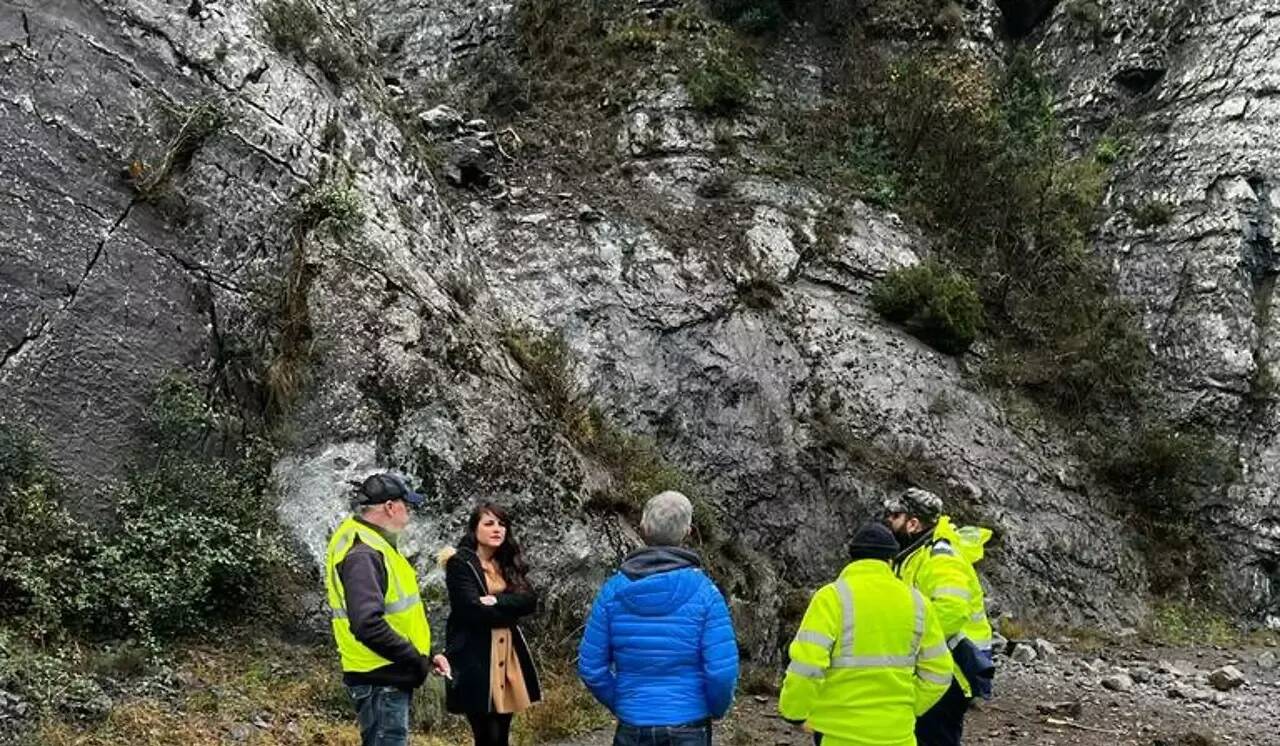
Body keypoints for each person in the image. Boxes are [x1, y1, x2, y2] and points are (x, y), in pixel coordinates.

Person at [578, 490, 739, 746]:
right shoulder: (706, 592)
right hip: (690, 723)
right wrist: (716, 708)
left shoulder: (612, 592)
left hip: (633, 724)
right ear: (687, 532)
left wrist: (624, 702)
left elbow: (591, 668)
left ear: (642, 528)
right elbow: (721, 672)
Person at [779, 523, 954, 746]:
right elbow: (940, 672)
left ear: (852, 558)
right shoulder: (918, 603)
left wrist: (794, 712)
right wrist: (908, 708)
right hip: (898, 735)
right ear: (891, 560)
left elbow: (807, 664)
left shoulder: (831, 598)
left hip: (840, 735)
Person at [324, 472, 451, 746]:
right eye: (407, 505)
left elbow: (399, 616)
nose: (410, 513)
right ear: (390, 507)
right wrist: (414, 660)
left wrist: (428, 656)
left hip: (384, 676)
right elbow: (367, 624)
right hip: (381, 680)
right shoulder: (364, 553)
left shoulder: (372, 543)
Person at [883, 488, 995, 746]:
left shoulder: (940, 558)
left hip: (952, 669)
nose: (888, 520)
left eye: (895, 515)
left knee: (934, 736)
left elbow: (951, 611)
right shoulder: (910, 555)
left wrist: (907, 645)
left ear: (913, 523)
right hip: (935, 665)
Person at [442, 502, 542, 746]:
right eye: (489, 524)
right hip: (475, 654)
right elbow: (471, 610)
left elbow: (530, 601)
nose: (497, 529)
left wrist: (496, 601)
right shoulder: (460, 564)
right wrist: (510, 609)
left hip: (507, 652)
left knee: (503, 730)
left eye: (502, 524)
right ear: (474, 529)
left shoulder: (507, 562)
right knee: (486, 733)